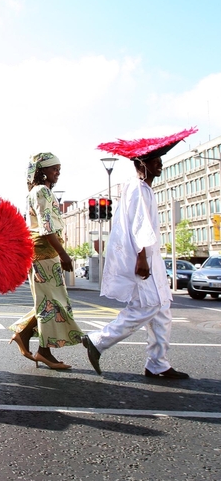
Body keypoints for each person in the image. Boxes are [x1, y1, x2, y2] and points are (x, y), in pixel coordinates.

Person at [83, 130, 193, 379]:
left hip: (151, 259)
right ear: (140, 164)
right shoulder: (138, 188)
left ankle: (158, 364)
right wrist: (142, 258)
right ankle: (98, 341)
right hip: (142, 259)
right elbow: (139, 225)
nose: (160, 165)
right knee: (148, 306)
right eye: (155, 161)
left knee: (163, 308)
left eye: (160, 161)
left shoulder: (145, 189)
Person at [8, 153, 83, 370]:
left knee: (51, 303)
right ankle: (44, 351)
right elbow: (47, 228)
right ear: (42, 171)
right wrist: (64, 255)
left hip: (47, 255)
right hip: (44, 255)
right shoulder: (41, 191)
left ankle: (24, 335)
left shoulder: (42, 191)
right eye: (53, 169)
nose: (57, 172)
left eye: (59, 169)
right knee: (50, 304)